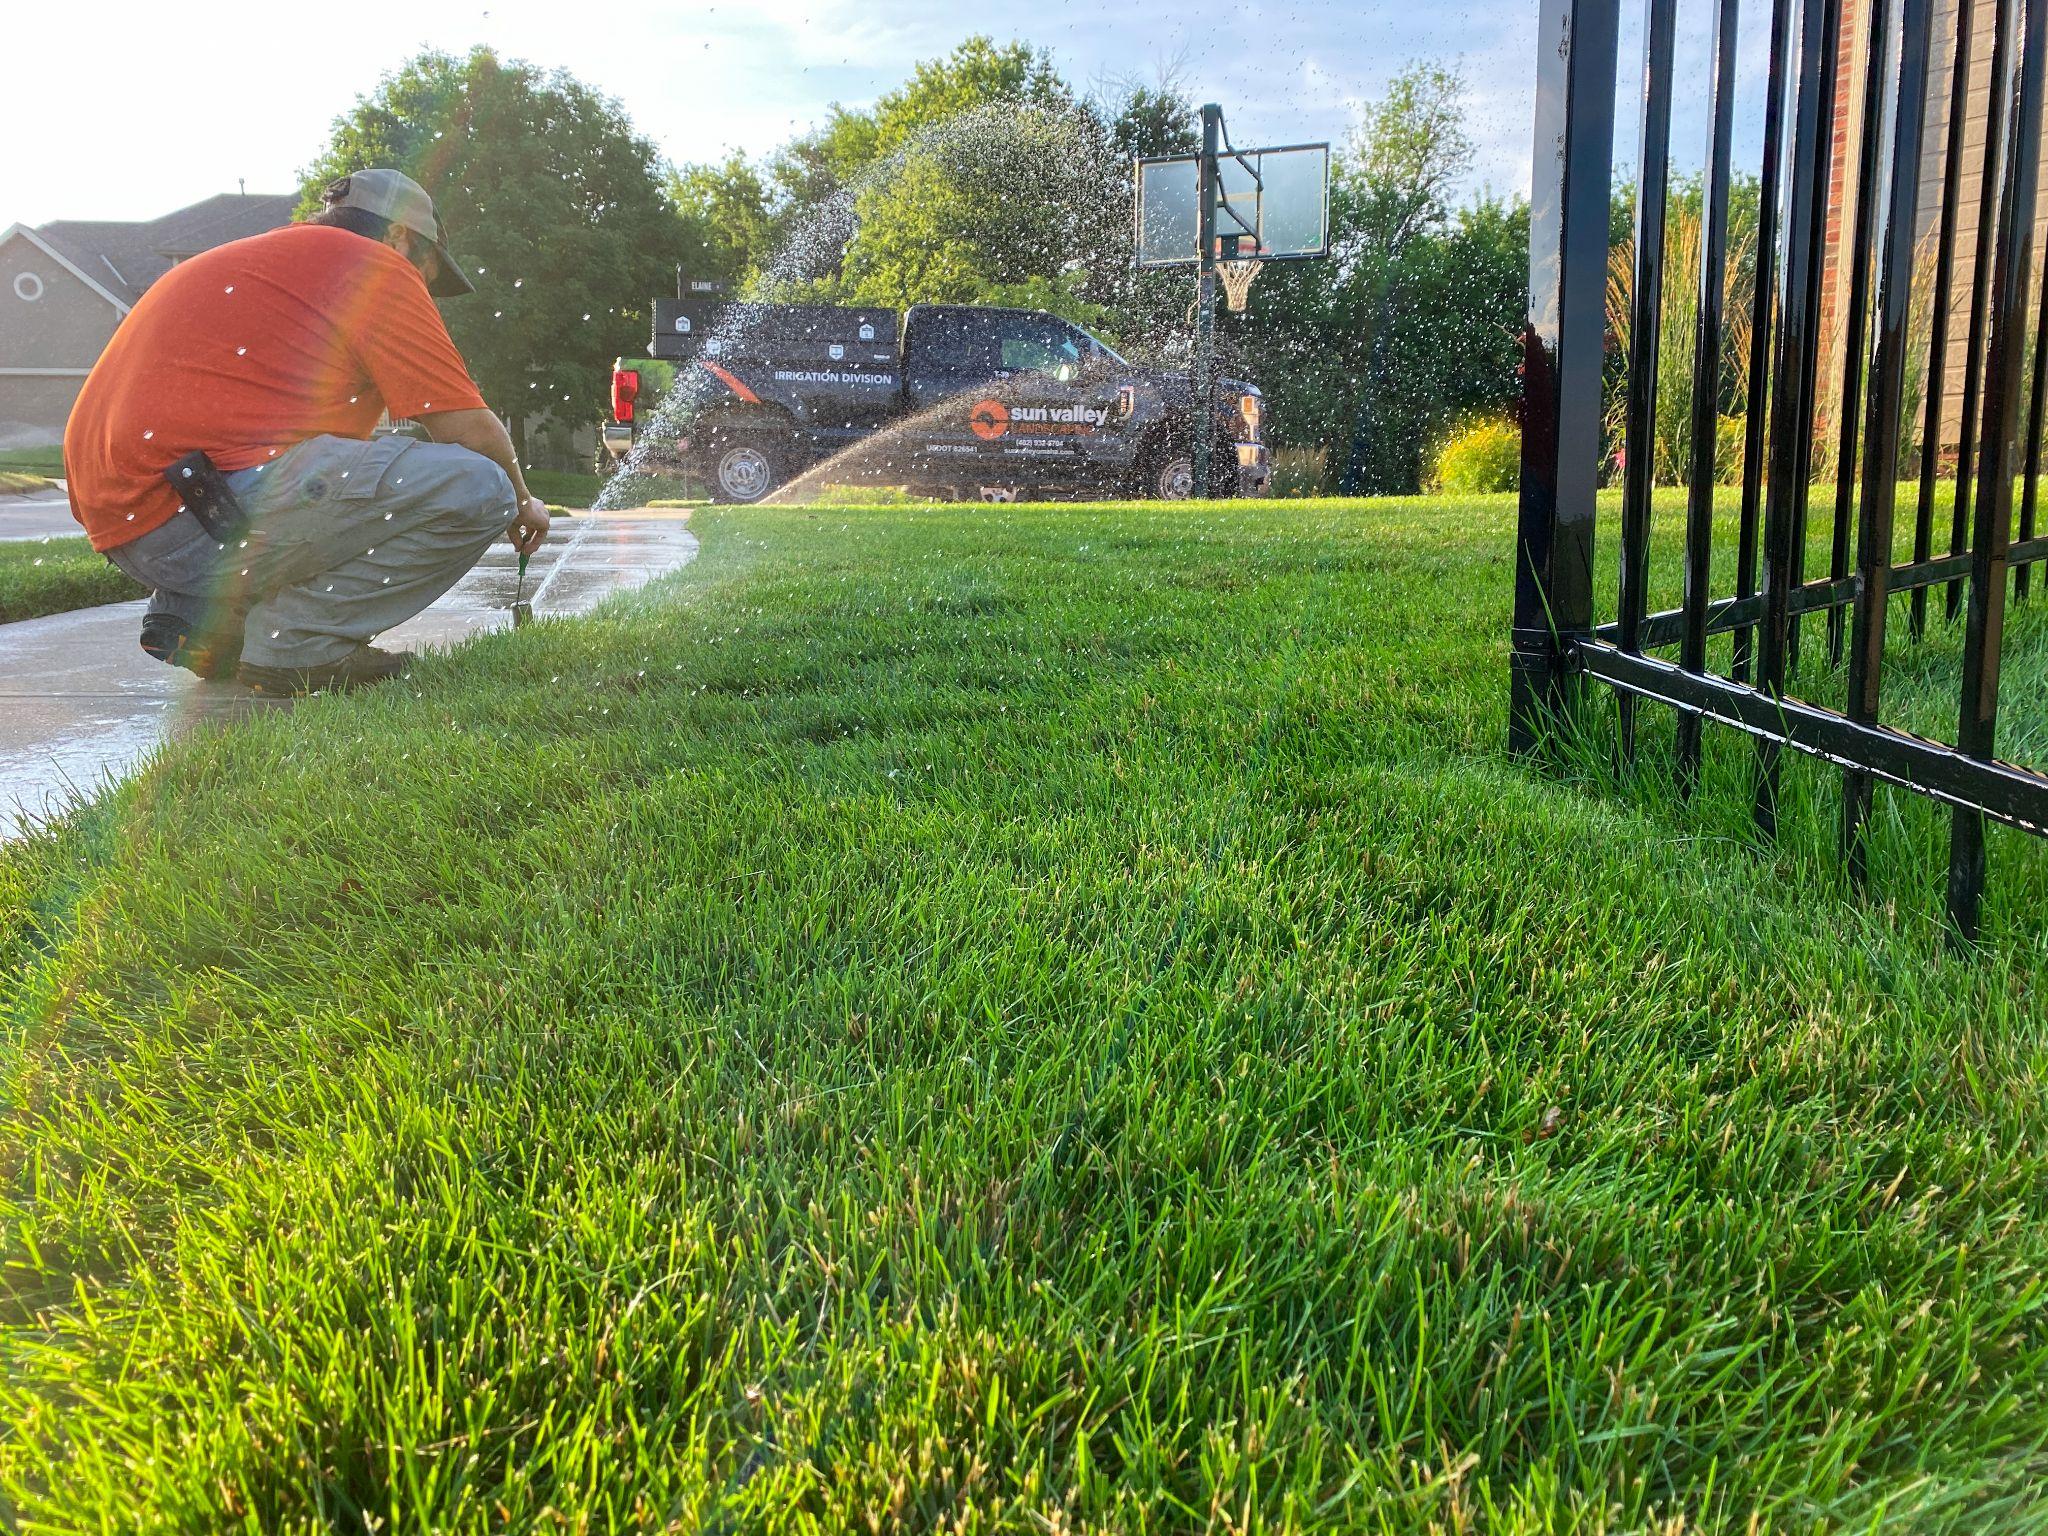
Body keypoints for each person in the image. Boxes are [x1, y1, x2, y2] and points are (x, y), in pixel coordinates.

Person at [62, 169, 550, 694]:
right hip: (195, 514)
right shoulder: (375, 268)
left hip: (133, 523)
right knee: (479, 487)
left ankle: (208, 622)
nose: (426, 289)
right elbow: (466, 427)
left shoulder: (261, 262)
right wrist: (522, 499)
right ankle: (296, 646)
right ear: (399, 237)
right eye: (429, 272)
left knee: (351, 475)